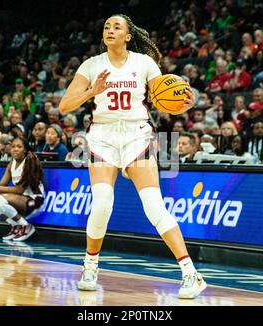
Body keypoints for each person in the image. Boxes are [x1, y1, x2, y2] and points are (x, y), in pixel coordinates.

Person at [59, 14, 206, 299]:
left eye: (117, 27)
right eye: (106, 26)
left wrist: (183, 106)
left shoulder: (143, 63)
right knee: (102, 204)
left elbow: (166, 96)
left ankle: (191, 275)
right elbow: (65, 105)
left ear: (128, 36)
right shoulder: (91, 66)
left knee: (153, 206)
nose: (110, 30)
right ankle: (90, 266)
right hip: (102, 137)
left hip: (136, 135)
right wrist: (92, 91)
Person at [0, 136, 46, 241]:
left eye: (19, 146)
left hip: (35, 201)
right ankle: (15, 225)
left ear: (25, 149)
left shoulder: (29, 162)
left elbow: (19, 190)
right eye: (13, 146)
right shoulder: (11, 164)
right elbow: (1, 185)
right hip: (21, 199)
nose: (15, 149)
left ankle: (26, 226)